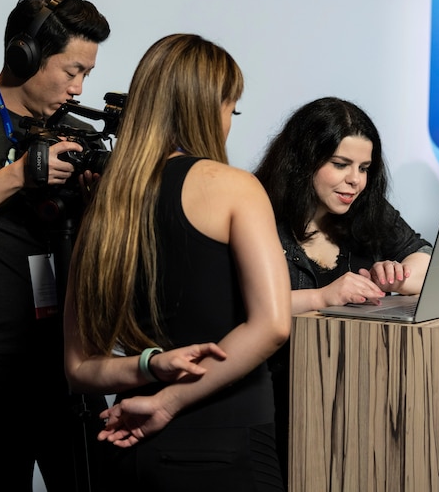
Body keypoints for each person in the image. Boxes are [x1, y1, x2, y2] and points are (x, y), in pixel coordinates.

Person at [63, 33, 292, 491]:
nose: (230, 122)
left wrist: (151, 366)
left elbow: (80, 369)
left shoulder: (105, 203)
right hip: (226, 449)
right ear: (207, 108)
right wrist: (168, 400)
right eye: (232, 109)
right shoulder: (234, 187)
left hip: (128, 451)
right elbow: (272, 324)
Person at [252, 96, 433, 484]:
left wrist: (398, 275)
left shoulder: (365, 208)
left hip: (354, 394)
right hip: (276, 400)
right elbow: (242, 306)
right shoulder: (257, 211)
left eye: (365, 168)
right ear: (303, 161)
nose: (356, 180)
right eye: (341, 165)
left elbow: (425, 256)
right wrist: (322, 297)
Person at [0, 0, 111, 491]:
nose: (78, 89)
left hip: (66, 353)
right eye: (72, 70)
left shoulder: (78, 134)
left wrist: (101, 199)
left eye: (87, 74)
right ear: (23, 54)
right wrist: (19, 175)